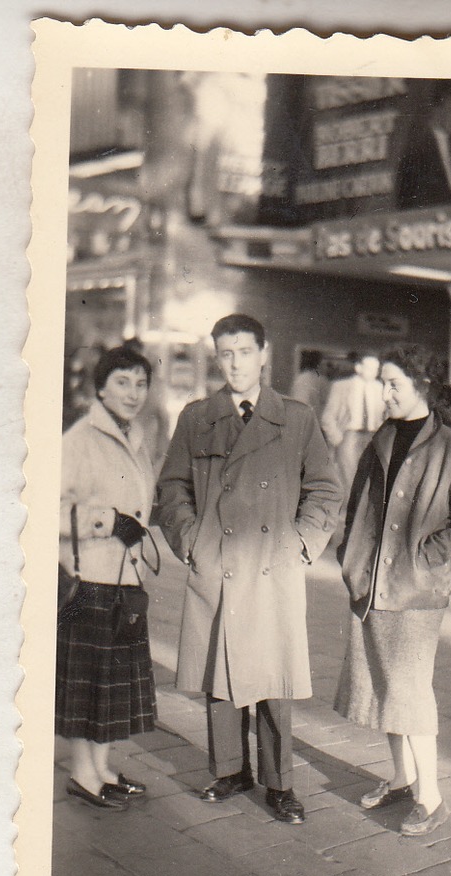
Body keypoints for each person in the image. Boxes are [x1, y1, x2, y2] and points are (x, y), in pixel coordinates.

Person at [156, 314, 342, 824]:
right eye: (225, 353)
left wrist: (301, 544)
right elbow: (172, 488)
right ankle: (229, 770)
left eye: (243, 351)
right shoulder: (197, 417)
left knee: (274, 680)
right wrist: (191, 542)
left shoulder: (298, 418)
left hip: (271, 566)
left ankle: (279, 783)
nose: (234, 363)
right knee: (221, 674)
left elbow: (325, 489)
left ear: (265, 354)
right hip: (217, 562)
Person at [334, 344, 451, 837]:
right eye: (382, 383)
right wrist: (351, 555)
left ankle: (432, 797)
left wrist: (423, 556)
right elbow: (357, 503)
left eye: (393, 384)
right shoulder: (382, 436)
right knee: (385, 688)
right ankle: (401, 780)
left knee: (411, 693)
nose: (383, 393)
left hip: (416, 594)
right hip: (373, 584)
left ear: (422, 386)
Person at [56, 345, 158, 811]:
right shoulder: (80, 439)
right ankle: (81, 771)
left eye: (140, 383)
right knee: (87, 683)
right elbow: (46, 505)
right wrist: (104, 520)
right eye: (122, 382)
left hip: (124, 580)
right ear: (100, 387)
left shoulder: (136, 435)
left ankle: (101, 769)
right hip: (88, 579)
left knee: (110, 684)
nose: (134, 393)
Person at [321, 352, 385, 495]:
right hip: (349, 436)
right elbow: (328, 417)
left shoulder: (382, 389)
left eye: (376, 368)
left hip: (374, 437)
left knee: (371, 479)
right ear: (359, 368)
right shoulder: (342, 386)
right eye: (369, 367)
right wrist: (338, 439)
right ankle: (347, 514)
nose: (373, 372)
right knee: (348, 479)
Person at [290, 350, 330, 417]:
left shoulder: (299, 378)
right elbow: (327, 401)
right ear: (318, 364)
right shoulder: (321, 380)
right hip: (312, 416)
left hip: (299, 415)